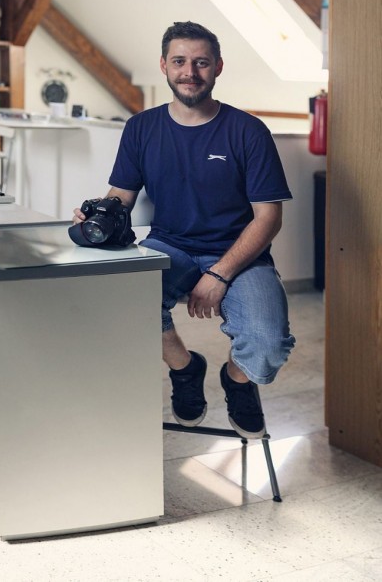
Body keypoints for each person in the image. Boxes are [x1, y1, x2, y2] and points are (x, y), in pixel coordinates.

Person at [74, 21, 295, 439]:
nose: (189, 72)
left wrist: (220, 274)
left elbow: (269, 217)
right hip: (169, 245)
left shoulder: (247, 131)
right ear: (164, 65)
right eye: (179, 61)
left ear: (218, 67)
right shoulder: (141, 127)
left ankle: (237, 381)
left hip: (240, 255)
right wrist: (99, 214)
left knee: (267, 344)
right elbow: (121, 194)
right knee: (124, 300)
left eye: (201, 63)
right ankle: (185, 368)